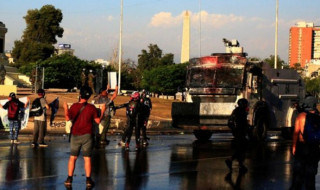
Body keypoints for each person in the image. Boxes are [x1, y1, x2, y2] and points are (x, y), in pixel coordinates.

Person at [64, 86, 100, 188]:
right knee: (87, 158)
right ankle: (88, 180)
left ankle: (69, 179)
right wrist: (103, 111)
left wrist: (66, 108)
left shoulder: (74, 106)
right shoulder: (91, 108)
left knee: (73, 157)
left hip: (75, 135)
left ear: (80, 95)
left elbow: (67, 118)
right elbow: (97, 121)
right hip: (87, 135)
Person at [290, 96, 320, 190]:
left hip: (302, 148)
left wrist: (294, 146)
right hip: (314, 148)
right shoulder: (318, 117)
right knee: (311, 176)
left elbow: (295, 134)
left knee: (298, 174)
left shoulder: (300, 116)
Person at [225, 98, 249, 173]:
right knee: (241, 149)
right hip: (240, 132)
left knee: (240, 149)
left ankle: (239, 164)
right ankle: (234, 162)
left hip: (237, 132)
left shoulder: (236, 111)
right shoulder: (241, 112)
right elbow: (243, 123)